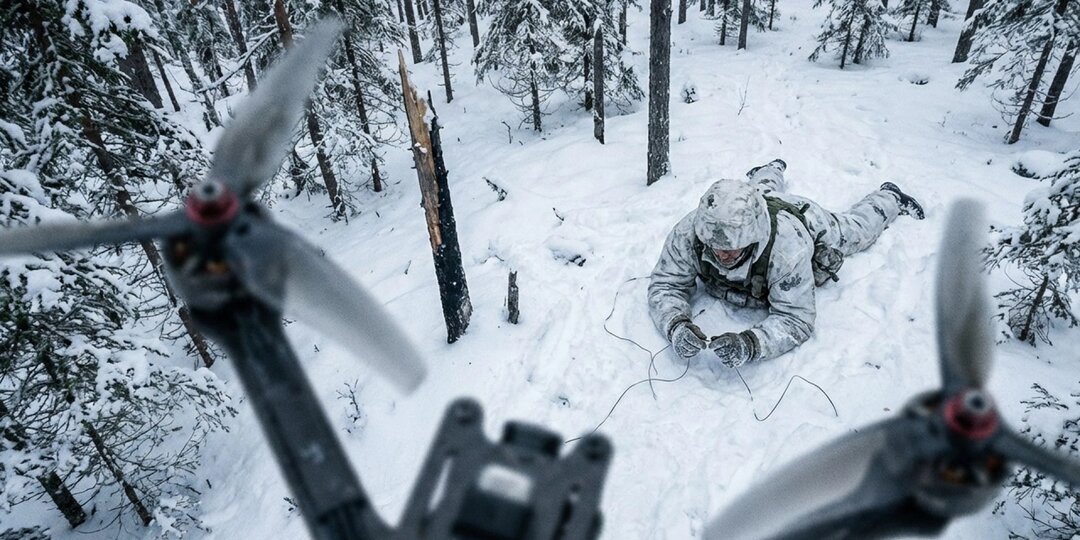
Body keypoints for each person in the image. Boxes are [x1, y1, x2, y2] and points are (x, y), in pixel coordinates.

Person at [647, 159, 925, 368]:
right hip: (757, 204)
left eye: (731, 248)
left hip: (803, 219)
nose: (721, 254)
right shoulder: (691, 231)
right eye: (714, 245)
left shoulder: (787, 249)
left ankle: (890, 196)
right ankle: (770, 169)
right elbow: (665, 284)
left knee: (854, 232)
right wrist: (676, 325)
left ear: (752, 237)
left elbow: (797, 319)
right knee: (760, 191)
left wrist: (750, 344)